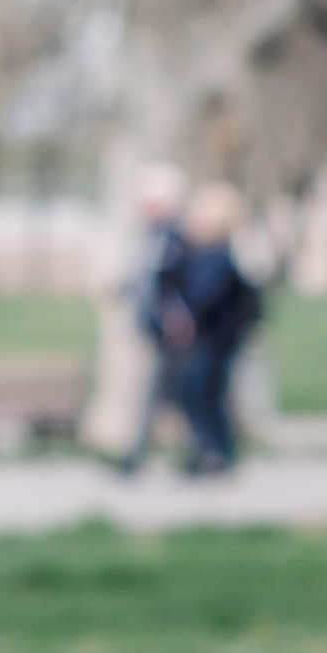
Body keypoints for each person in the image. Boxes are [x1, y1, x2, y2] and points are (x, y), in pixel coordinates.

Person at [170, 182, 264, 475]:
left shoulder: (226, 252)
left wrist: (187, 314)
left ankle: (215, 450)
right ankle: (209, 449)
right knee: (199, 392)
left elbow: (208, 294)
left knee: (204, 391)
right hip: (206, 334)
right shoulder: (194, 251)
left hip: (218, 335)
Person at [113, 165, 189, 476]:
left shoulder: (177, 238)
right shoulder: (147, 236)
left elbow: (172, 284)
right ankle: (137, 455)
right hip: (153, 328)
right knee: (156, 394)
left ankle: (139, 456)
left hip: (172, 331)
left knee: (169, 394)